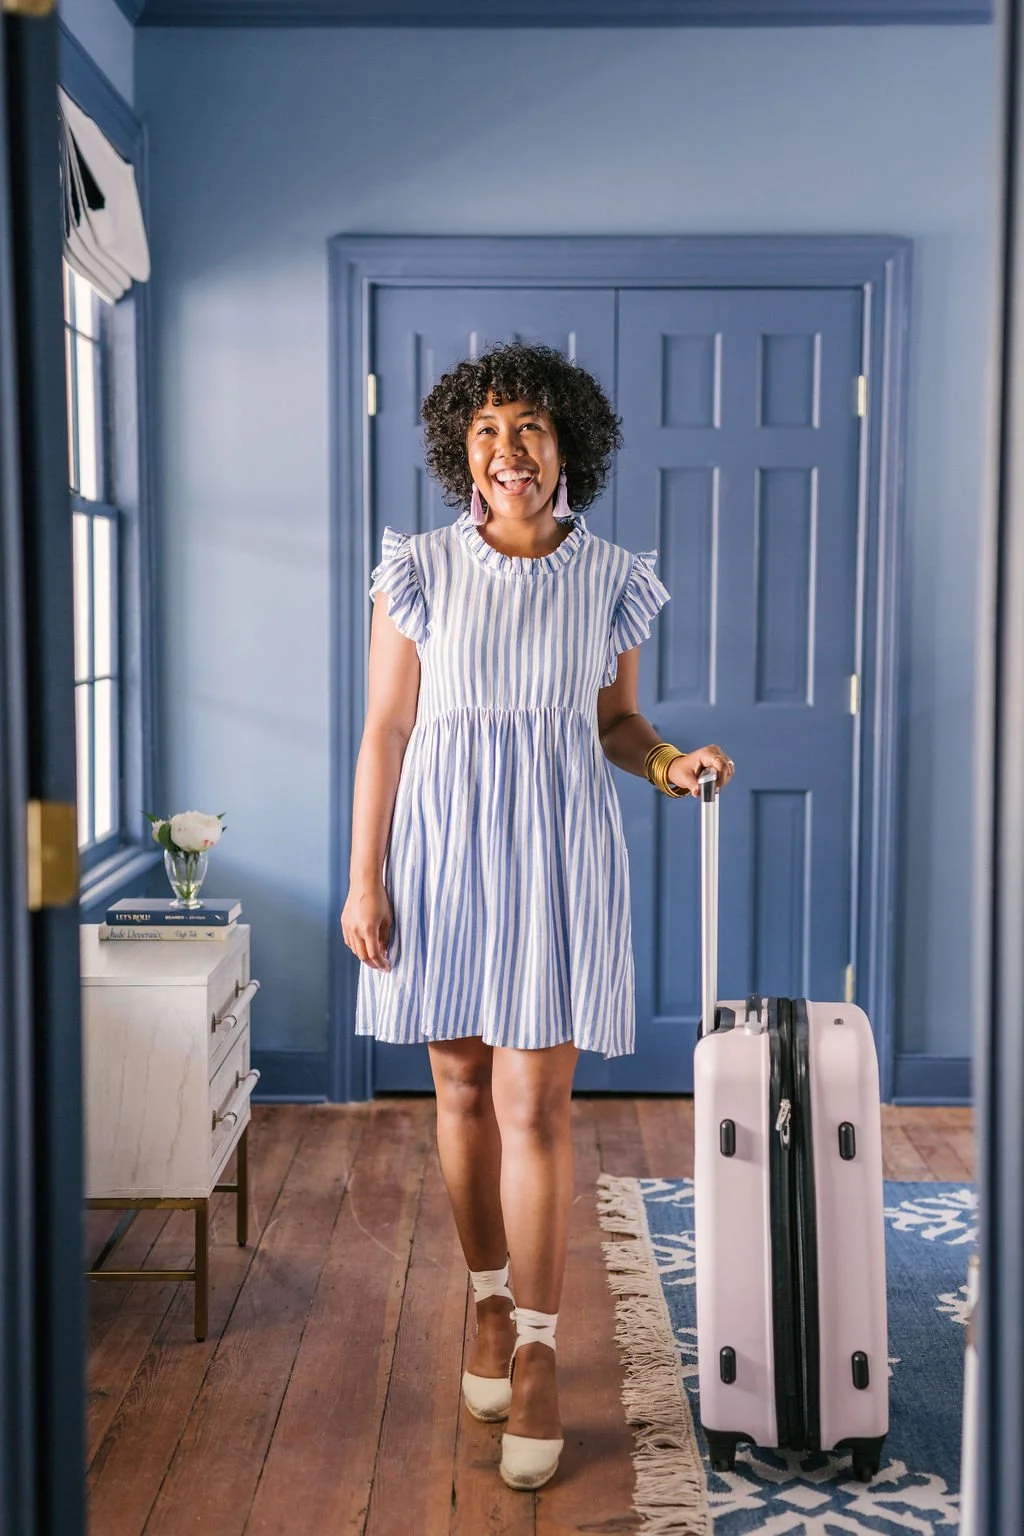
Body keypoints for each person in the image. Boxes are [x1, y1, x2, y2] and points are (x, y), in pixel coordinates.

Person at [341, 341, 735, 1491]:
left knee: (538, 1102)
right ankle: (484, 1302)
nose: (506, 452)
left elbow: (618, 726)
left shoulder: (611, 575)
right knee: (459, 1085)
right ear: (459, 449)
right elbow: (387, 732)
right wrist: (366, 877)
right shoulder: (415, 568)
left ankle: (541, 1352)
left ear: (569, 446)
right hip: (443, 848)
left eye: (529, 431)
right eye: (485, 433)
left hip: (559, 851)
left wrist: (669, 766)